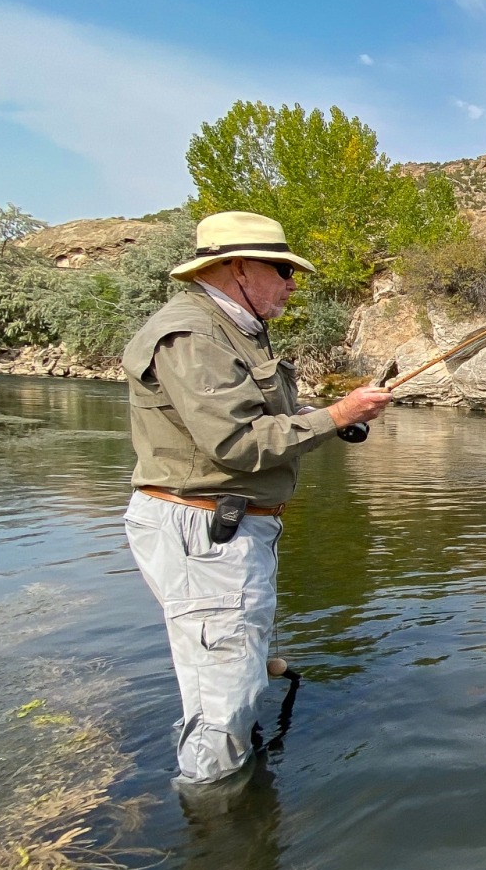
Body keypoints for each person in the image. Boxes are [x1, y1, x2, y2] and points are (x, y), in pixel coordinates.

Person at [121, 211, 391, 786]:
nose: (293, 283)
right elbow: (237, 443)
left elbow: (255, 419)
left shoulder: (233, 330)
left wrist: (322, 419)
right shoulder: (191, 335)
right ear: (237, 267)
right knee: (225, 696)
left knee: (225, 679)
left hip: (223, 530)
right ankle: (218, 827)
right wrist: (337, 415)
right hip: (206, 533)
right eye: (282, 270)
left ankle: (223, 795)